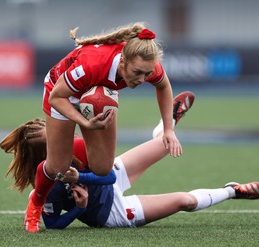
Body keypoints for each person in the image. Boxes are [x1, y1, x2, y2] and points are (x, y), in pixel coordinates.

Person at [0, 92, 259, 229]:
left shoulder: (76, 146)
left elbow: (110, 176)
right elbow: (52, 224)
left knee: (165, 146)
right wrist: (79, 208)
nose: (62, 138)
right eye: (54, 139)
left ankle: (166, 126)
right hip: (111, 212)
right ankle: (232, 190)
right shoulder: (44, 184)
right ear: (42, 156)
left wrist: (80, 177)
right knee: (184, 202)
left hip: (110, 175)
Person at [22, 22, 182, 232]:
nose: (143, 79)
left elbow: (163, 86)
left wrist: (168, 129)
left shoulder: (145, 64)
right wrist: (85, 122)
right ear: (123, 61)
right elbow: (56, 97)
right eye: (138, 73)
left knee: (103, 168)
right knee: (58, 167)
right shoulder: (92, 65)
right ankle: (36, 203)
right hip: (61, 93)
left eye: (147, 74)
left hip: (96, 95)